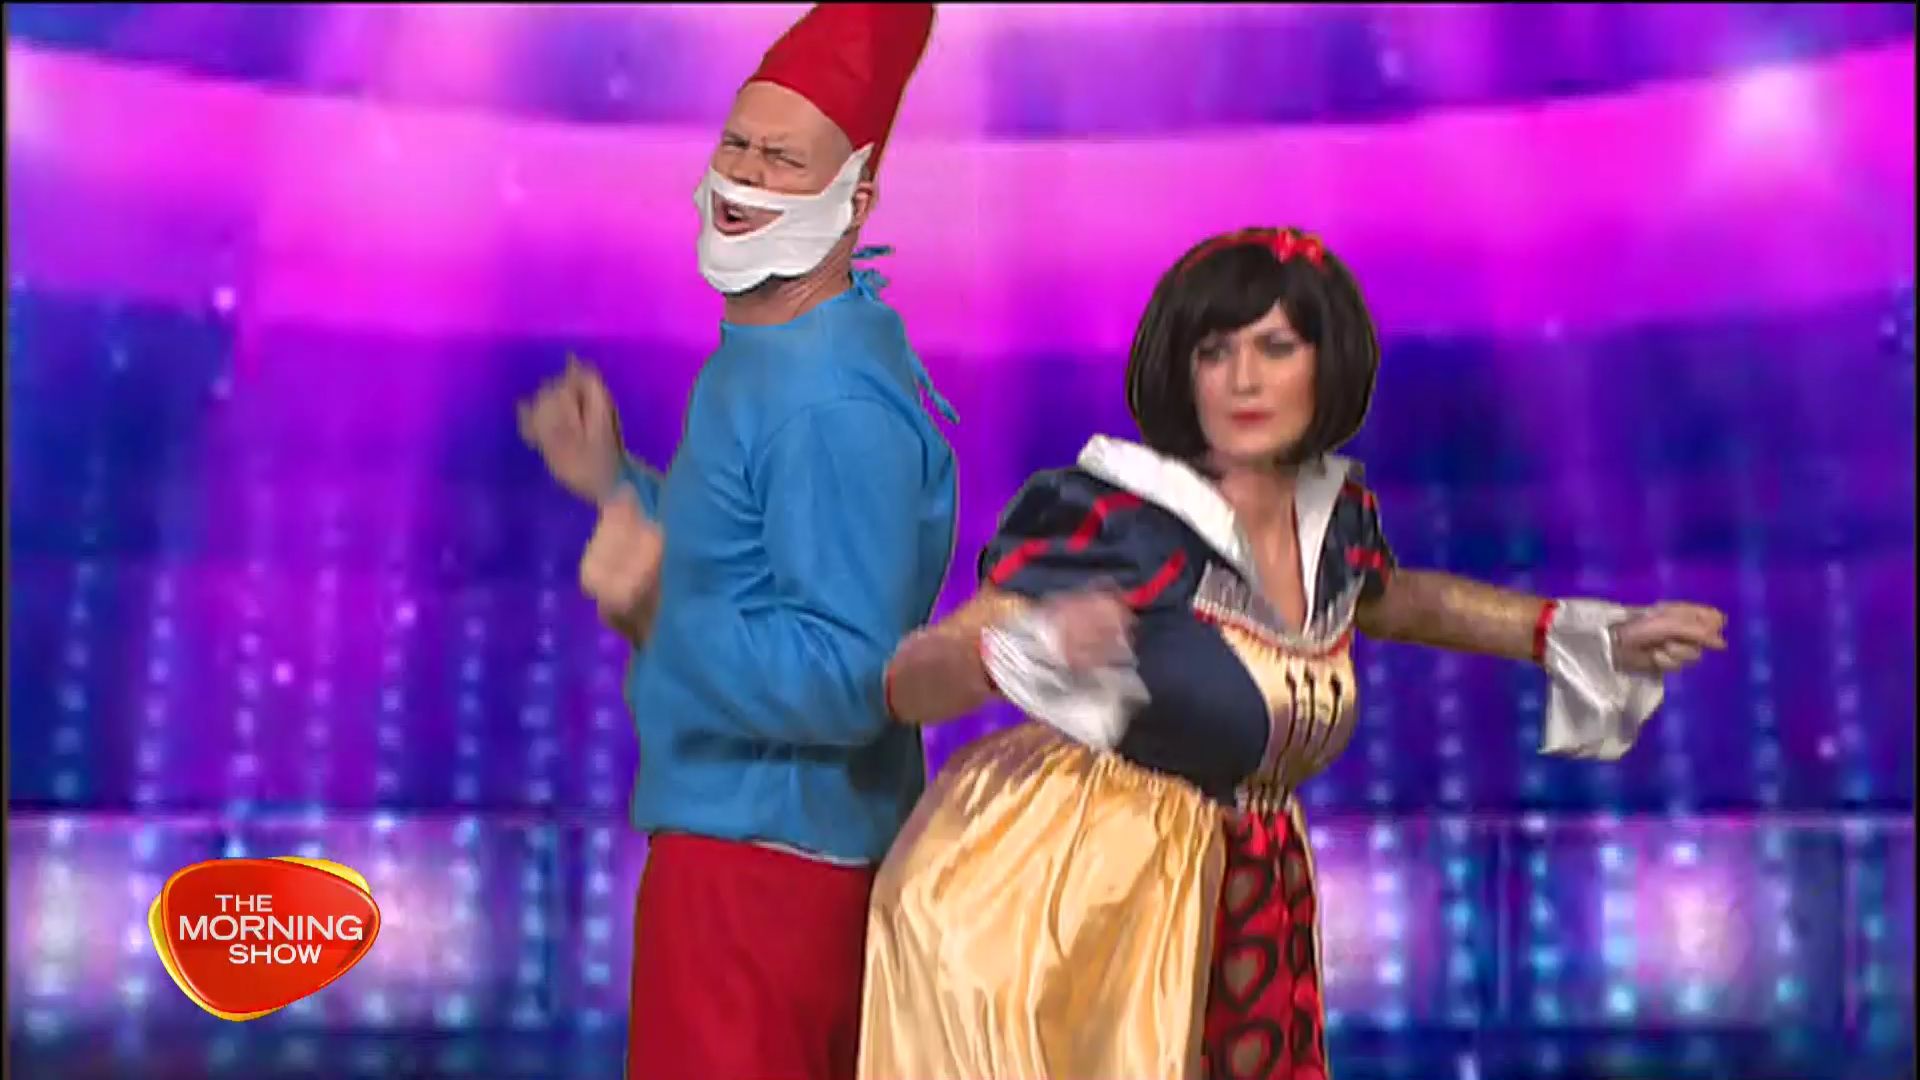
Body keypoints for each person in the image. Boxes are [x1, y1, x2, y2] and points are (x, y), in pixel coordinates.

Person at [858, 227, 1728, 1080]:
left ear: (1325, 362)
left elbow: (1401, 601)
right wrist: (1032, 644)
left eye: (1275, 347)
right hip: (1083, 889)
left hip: (1255, 875)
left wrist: (1575, 633)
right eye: (1215, 352)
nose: (1244, 379)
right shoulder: (1116, 518)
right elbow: (909, 682)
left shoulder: (1334, 520)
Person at [518, 6, 952, 1078]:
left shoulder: (827, 399)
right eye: (739, 145)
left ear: (855, 196)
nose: (747, 175)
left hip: (769, 882)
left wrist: (662, 615)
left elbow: (851, 680)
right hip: (746, 864)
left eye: (782, 158)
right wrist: (615, 484)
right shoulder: (772, 351)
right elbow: (750, 557)